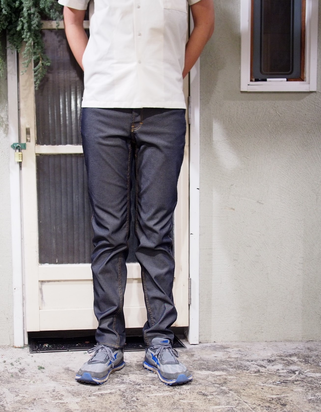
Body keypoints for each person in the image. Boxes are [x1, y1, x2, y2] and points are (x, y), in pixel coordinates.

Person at [59, 0, 214, 386]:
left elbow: (205, 20)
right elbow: (72, 17)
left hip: (164, 107)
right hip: (104, 106)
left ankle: (160, 341)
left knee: (156, 231)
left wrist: (175, 71)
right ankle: (108, 343)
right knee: (108, 230)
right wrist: (95, 70)